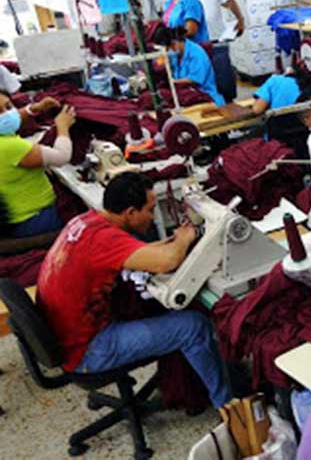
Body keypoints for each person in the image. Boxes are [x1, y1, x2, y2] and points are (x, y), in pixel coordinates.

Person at [36, 172, 232, 408]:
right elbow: (167, 261)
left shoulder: (86, 222)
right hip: (87, 351)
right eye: (150, 210)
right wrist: (184, 239)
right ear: (130, 212)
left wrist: (176, 241)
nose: (152, 216)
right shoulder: (104, 240)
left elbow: (141, 252)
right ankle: (229, 406)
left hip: (65, 337)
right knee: (194, 326)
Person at [0, 94, 74, 239]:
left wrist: (35, 108)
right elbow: (62, 156)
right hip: (35, 219)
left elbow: (8, 119)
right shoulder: (11, 147)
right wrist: (63, 127)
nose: (7, 114)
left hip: (16, 221)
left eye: (8, 106)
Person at [159, 26, 224, 106]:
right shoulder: (175, 55)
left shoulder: (197, 53)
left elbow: (194, 80)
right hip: (184, 93)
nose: (169, 50)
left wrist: (172, 82)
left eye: (169, 47)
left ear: (174, 43)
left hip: (204, 95)